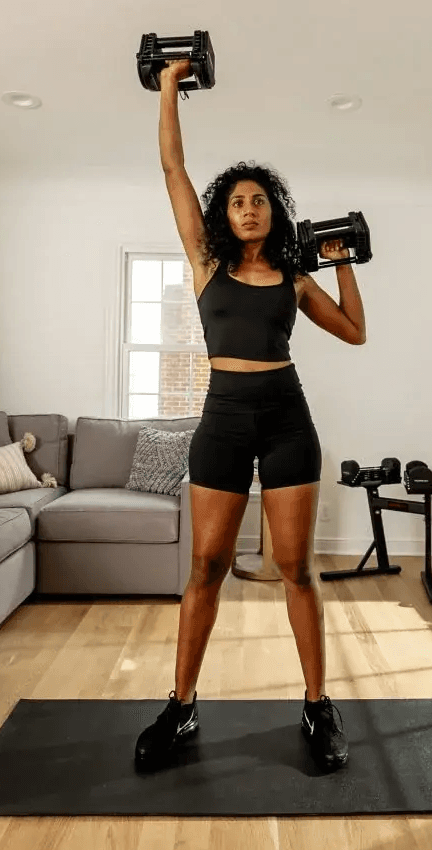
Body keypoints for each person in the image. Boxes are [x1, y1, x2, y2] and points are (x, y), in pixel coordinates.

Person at [134, 58, 367, 773]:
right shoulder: (206, 265)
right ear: (222, 214)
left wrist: (341, 260)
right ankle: (181, 704)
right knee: (206, 564)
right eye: (236, 200)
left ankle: (317, 704)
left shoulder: (296, 280)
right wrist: (170, 86)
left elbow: (355, 330)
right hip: (225, 416)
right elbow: (174, 167)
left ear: (274, 210)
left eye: (259, 198)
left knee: (296, 566)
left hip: (287, 415)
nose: (249, 207)